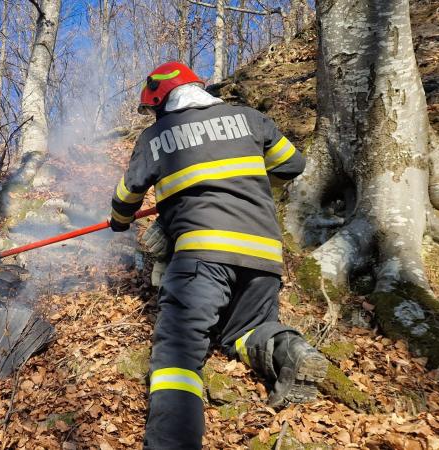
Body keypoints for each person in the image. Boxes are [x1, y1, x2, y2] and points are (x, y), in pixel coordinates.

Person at [109, 61, 328, 449]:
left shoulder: (156, 136)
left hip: (202, 254)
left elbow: (127, 196)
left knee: (177, 354)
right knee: (243, 332)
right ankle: (289, 350)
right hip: (263, 254)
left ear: (160, 101)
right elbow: (293, 164)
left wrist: (119, 222)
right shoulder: (250, 118)